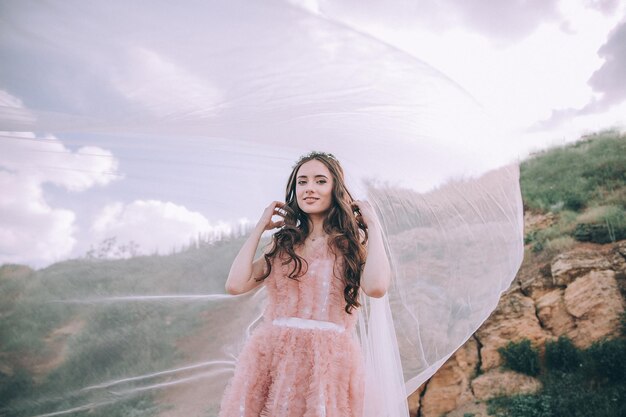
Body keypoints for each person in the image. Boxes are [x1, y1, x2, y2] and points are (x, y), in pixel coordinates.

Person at [218, 150, 391, 417]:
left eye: (320, 181)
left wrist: (373, 227)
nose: (309, 188)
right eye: (302, 181)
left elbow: (377, 287)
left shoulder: (349, 245)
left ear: (335, 188)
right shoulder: (284, 244)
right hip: (272, 356)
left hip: (327, 361)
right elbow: (235, 284)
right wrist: (260, 228)